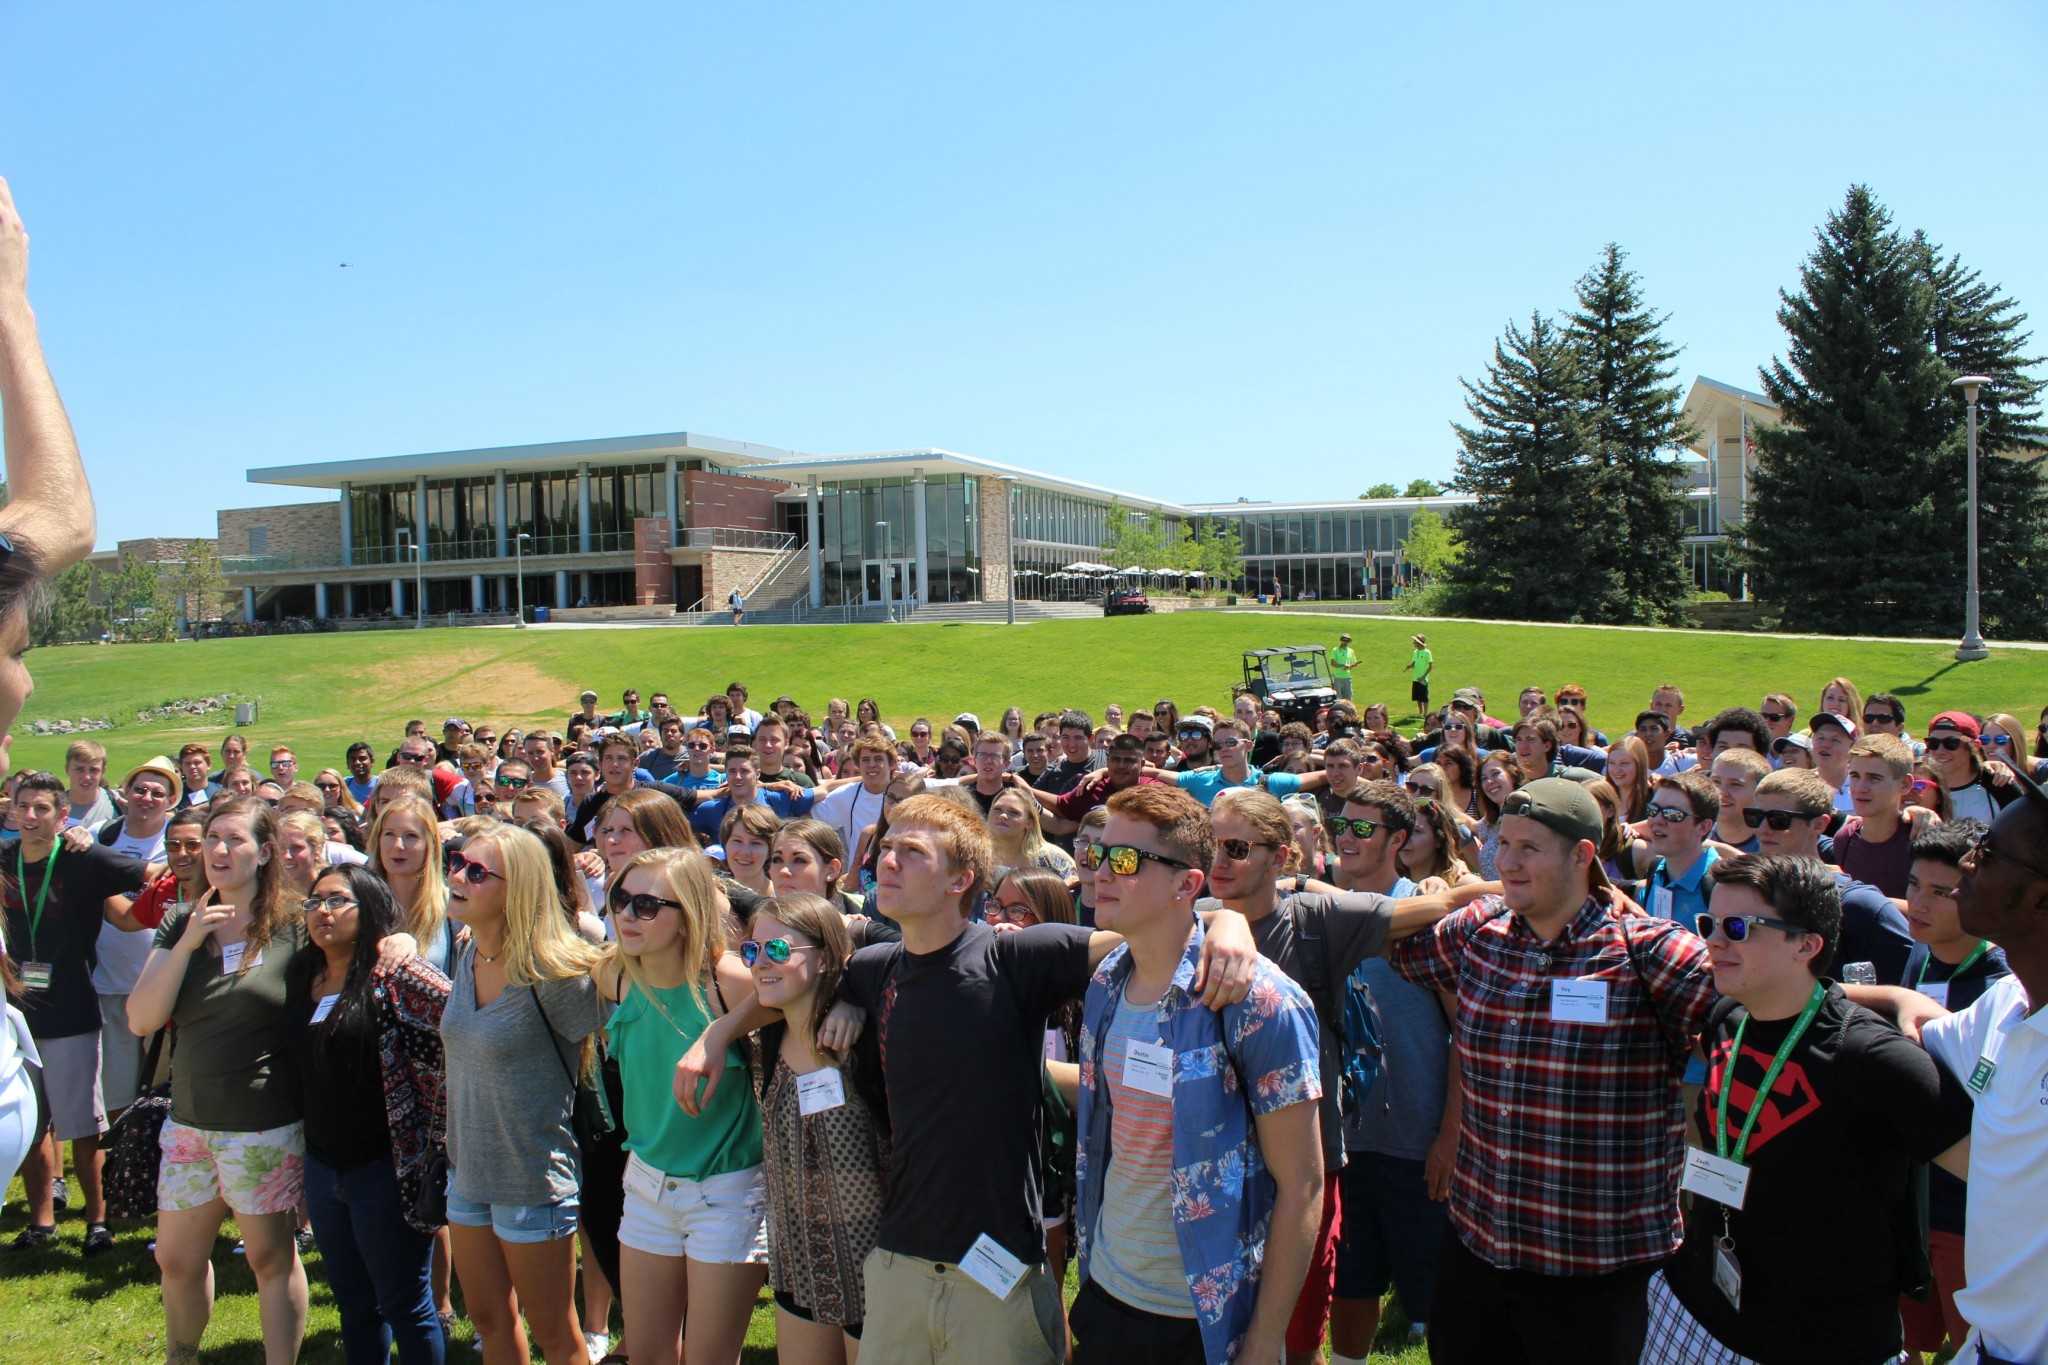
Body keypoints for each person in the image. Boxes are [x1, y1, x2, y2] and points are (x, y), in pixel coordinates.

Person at [678, 793, 1257, 1365]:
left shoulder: (1015, 960)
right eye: (886, 847)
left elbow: (1148, 929)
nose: (888, 859)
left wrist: (1227, 918)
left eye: (912, 851)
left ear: (961, 879)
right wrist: (719, 1034)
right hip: (899, 1255)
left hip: (998, 1262)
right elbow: (791, 979)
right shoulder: (873, 969)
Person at [1391, 778, 1716, 1364]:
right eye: (1504, 845)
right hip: (1478, 1250)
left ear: (1583, 855)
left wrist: (1897, 1003)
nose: (1507, 862)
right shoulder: (1478, 934)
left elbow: (1766, 1001)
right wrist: (1446, 898)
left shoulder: (1646, 951)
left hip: (1594, 1269)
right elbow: (1367, 933)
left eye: (1528, 849)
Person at [1640, 855, 1972, 1364]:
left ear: (1807, 944)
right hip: (1694, 1308)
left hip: (1822, 1339)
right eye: (1709, 923)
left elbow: (1996, 1176)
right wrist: (1895, 992)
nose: (1713, 940)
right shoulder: (1730, 1015)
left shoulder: (1877, 1060)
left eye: (1737, 927)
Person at [1071, 785, 1325, 1365]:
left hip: (1205, 1319)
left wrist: (1265, 1338)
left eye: (1126, 860)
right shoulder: (1109, 979)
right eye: (1097, 854)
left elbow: (1303, 1185)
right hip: (1108, 1288)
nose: (1100, 872)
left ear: (1186, 884)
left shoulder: (1260, 1003)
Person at [127, 798, 378, 1363]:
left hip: (263, 1125)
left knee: (269, 1258)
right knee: (176, 1259)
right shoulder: (180, 920)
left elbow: (358, 959)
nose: (218, 850)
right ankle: (181, 1355)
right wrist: (189, 940)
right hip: (189, 1122)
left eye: (234, 839)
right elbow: (141, 1019)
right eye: (212, 837)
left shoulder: (296, 923)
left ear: (265, 851)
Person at [437, 821, 607, 1365]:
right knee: (489, 1322)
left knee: (555, 1334)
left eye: (477, 871)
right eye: (458, 862)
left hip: (532, 1179)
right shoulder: (470, 953)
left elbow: (620, 1030)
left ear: (520, 888)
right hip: (467, 1174)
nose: (458, 876)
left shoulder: (554, 971)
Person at [596, 848, 767, 1365]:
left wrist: (720, 1033)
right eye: (621, 899)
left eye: (647, 905)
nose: (627, 915)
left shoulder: (726, 982)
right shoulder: (618, 975)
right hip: (646, 1186)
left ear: (689, 912)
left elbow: (804, 987)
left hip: (725, 1194)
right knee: (647, 1356)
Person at [288, 865, 451, 1365]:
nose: (322, 912)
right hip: (323, 1164)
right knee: (354, 1304)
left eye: (337, 901)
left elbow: (459, 1027)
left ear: (371, 908)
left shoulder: (397, 973)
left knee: (404, 1303)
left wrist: (436, 1133)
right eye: (314, 902)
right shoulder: (301, 973)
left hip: (386, 1167)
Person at [1910, 782, 2048, 1365]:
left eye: (1987, 855)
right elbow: (1913, 1017)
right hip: (1988, 1348)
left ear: (2040, 898)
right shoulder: (2004, 1004)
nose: (1966, 862)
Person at [3, 771, 147, 1254]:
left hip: (72, 1011)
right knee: (30, 1122)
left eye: (42, 808)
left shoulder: (81, 859)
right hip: (15, 1017)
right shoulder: (2, 861)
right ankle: (42, 1223)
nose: (30, 816)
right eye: (22, 805)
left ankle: (97, 1222)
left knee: (84, 1126)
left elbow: (147, 873)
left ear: (63, 815)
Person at [746, 892, 889, 1364]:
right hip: (798, 1267)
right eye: (752, 950)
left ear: (826, 957)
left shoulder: (867, 1042)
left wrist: (854, 996)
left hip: (877, 1276)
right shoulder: (762, 1041)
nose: (761, 962)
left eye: (779, 950)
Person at [1896, 820, 2009, 1361]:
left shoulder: (2001, 983)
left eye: (1941, 893)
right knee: (1910, 1339)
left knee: (1971, 1344)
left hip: (1967, 1212)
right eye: (1914, 884)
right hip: (1910, 1196)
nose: (1918, 902)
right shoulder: (1918, 954)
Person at [1745, 769, 1916, 985]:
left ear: (1819, 824)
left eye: (1778, 820)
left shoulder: (1859, 905)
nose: (1762, 829)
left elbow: (1915, 977)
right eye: (1754, 817)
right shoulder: (1746, 895)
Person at [1836, 733, 1919, 898]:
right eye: (1855, 776)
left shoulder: (1919, 838)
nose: (1860, 788)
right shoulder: (1845, 838)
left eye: (1874, 778)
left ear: (1904, 784)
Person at [1923, 711, 2015, 826]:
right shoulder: (1920, 787)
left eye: (1951, 743)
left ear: (1974, 746)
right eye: (1933, 743)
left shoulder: (1998, 785)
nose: (1940, 751)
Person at [988, 784, 1076, 878]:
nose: (1003, 816)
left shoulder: (1052, 859)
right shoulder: (978, 855)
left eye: (1013, 812)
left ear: (1029, 823)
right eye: (997, 809)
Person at [1404, 634, 1432, 720]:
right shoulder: (1415, 652)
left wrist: (1423, 677)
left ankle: (1425, 713)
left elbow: (1430, 666)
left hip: (1423, 679)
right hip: (1415, 677)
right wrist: (1409, 666)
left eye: (1415, 642)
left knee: (1424, 697)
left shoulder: (1427, 652)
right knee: (1417, 697)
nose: (1413, 643)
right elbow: (1414, 663)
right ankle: (1420, 712)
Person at [1330, 632, 1358, 700]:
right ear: (1341, 640)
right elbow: (1333, 663)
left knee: (1348, 699)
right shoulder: (1335, 650)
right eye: (1344, 640)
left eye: (1347, 641)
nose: (1345, 642)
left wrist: (1350, 667)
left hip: (1347, 678)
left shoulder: (1351, 651)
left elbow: (1354, 664)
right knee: (1338, 699)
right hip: (1337, 678)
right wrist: (1343, 665)